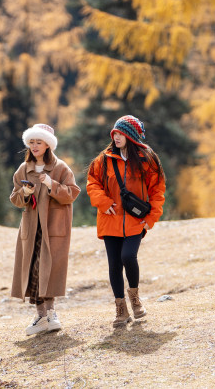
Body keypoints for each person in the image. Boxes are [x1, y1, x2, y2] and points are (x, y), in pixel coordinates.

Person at [86, 115, 166, 327]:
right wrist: (103, 202)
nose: (116, 136)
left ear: (131, 136)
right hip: (109, 219)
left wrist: (152, 218)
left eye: (121, 133)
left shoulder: (146, 159)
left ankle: (135, 299)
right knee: (114, 264)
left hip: (134, 220)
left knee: (128, 256)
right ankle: (120, 309)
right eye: (115, 133)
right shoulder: (103, 159)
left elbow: (157, 190)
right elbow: (92, 183)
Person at [10, 124, 80, 335]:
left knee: (48, 270)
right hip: (31, 229)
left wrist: (52, 185)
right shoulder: (23, 170)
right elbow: (15, 199)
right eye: (31, 142)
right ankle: (41, 316)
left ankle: (50, 314)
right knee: (33, 270)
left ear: (48, 144)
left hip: (53, 229)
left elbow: (72, 193)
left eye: (38, 142)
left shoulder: (60, 168)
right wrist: (25, 191)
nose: (34, 146)